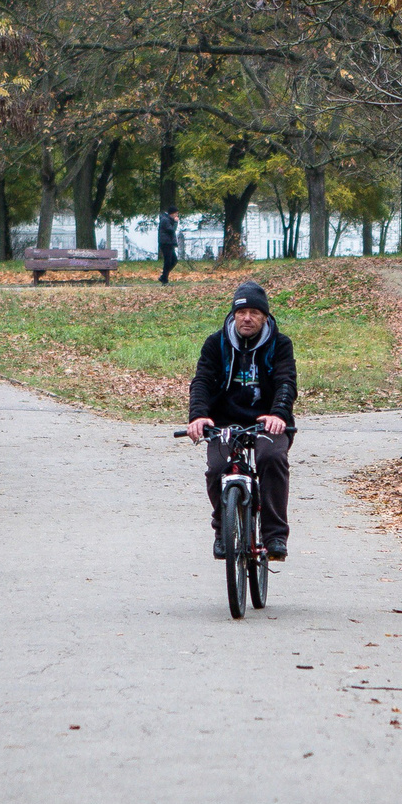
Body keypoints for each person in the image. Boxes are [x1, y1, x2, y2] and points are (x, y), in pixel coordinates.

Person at [186, 280, 295, 560]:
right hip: (223, 422)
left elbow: (286, 381)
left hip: (267, 421)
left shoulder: (280, 344)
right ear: (233, 314)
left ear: (265, 317)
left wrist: (279, 414)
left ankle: (274, 537)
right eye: (241, 312)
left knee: (271, 458)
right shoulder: (216, 343)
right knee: (216, 469)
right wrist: (199, 416)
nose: (247, 318)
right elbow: (201, 382)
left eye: (255, 313)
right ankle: (223, 529)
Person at [157, 209, 180, 284]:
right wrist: (176, 222)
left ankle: (164, 276)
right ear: (172, 214)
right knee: (168, 261)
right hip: (166, 243)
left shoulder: (168, 220)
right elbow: (172, 230)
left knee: (174, 260)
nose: (177, 215)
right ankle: (164, 279)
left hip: (169, 243)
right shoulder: (165, 220)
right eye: (176, 213)